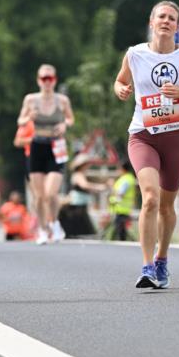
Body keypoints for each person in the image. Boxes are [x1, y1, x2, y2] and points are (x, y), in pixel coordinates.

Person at [114, 0, 179, 288]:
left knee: (167, 206)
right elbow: (119, 81)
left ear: (177, 27)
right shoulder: (134, 55)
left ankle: (162, 259)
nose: (166, 21)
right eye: (162, 16)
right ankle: (146, 267)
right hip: (143, 135)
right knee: (150, 198)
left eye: (172, 18)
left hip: (176, 136)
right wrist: (121, 89)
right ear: (151, 21)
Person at [17, 64, 74, 245]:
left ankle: (55, 223)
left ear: (55, 80)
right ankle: (42, 229)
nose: (47, 82)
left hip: (56, 146)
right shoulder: (30, 100)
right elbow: (20, 120)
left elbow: (71, 118)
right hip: (37, 145)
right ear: (38, 81)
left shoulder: (62, 100)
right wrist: (28, 118)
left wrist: (65, 124)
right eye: (43, 79)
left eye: (50, 78)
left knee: (51, 193)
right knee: (39, 195)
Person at [59, 153, 109, 238]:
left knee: (82, 230)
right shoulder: (78, 175)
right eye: (86, 164)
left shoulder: (82, 175)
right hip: (75, 206)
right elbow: (85, 185)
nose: (88, 166)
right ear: (82, 165)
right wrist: (99, 187)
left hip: (80, 205)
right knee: (79, 229)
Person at [108, 159, 138, 241]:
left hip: (121, 209)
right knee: (120, 230)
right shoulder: (128, 178)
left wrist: (111, 186)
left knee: (120, 231)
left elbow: (120, 193)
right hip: (121, 209)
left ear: (122, 168)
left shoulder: (126, 180)